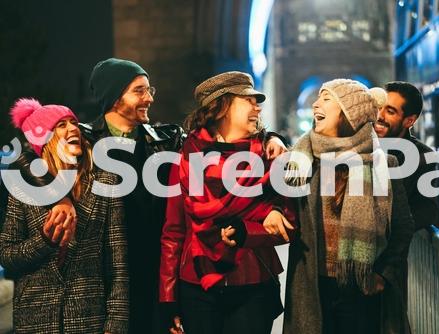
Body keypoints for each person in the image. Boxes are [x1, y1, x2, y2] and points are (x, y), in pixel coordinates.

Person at [5, 59, 287, 333]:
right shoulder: (85, 138)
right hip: (106, 275)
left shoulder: (168, 138)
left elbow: (218, 134)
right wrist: (59, 196)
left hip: (155, 266)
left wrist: (271, 138)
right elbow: (28, 157)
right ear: (114, 97)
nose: (149, 98)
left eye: (149, 90)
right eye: (139, 90)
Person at [159, 71, 295, 334]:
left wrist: (248, 232)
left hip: (252, 285)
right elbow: (173, 233)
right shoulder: (186, 160)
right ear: (221, 107)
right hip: (196, 287)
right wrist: (168, 298)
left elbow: (289, 224)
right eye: (248, 100)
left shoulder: (270, 156)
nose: (258, 107)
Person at [282, 79, 414, 334]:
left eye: (326, 99)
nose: (315, 104)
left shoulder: (385, 164)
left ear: (348, 115)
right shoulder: (302, 161)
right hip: (313, 286)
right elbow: (274, 197)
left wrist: (383, 274)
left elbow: (402, 226)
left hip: (360, 288)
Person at [0, 98, 128, 333]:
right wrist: (45, 241)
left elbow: (117, 263)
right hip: (35, 318)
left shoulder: (105, 182)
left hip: (88, 317)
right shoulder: (24, 188)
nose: (73, 129)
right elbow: (7, 255)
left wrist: (116, 323)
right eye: (61, 125)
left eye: (73, 122)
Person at [374, 81, 439, 231]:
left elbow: (427, 210)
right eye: (378, 108)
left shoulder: (423, 156)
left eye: (390, 112)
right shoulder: (358, 145)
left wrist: (388, 229)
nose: (379, 116)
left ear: (409, 121)